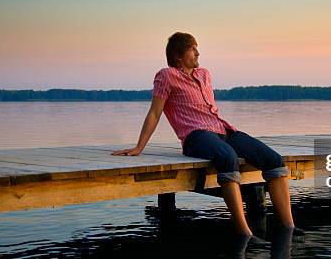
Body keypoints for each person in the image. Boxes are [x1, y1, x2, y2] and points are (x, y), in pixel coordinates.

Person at [112, 32, 302, 237]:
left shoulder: (204, 74)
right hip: (195, 136)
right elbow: (155, 112)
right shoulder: (166, 76)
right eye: (193, 49)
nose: (198, 53)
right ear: (178, 55)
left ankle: (288, 228)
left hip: (223, 129)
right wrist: (139, 147)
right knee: (227, 157)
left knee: (274, 160)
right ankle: (244, 232)